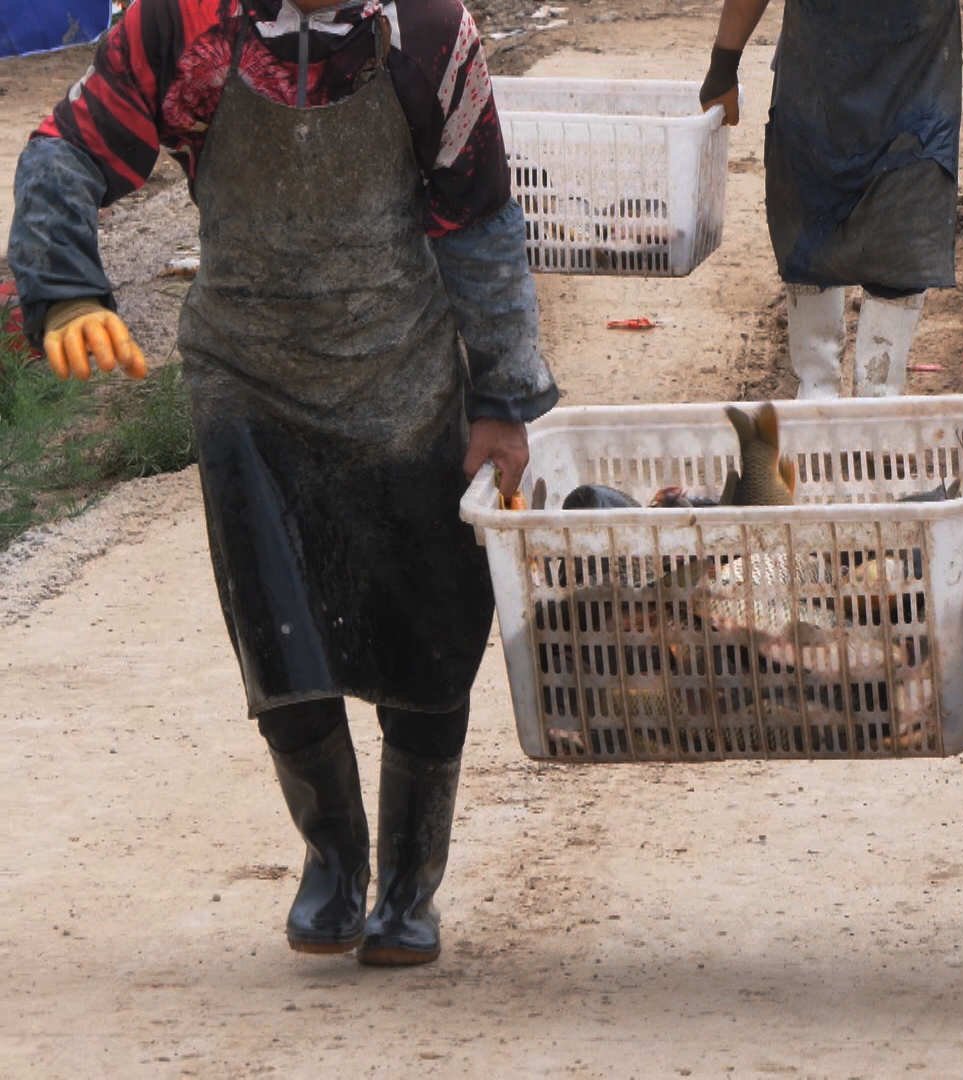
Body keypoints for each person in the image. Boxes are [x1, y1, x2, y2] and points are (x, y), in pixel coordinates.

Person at [8, 0, 556, 965]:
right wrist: (62, 286)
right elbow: (66, 147)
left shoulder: (429, 33)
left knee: (431, 638)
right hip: (246, 380)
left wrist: (503, 395)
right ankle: (336, 865)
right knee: (279, 633)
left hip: (403, 377)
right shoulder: (182, 25)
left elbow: (478, 222)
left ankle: (410, 892)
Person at [697, 0, 963, 399]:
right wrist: (723, 62)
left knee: (903, 234)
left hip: (916, 90)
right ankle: (816, 401)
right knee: (809, 231)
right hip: (817, 84)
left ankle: (878, 403)